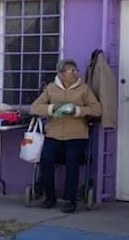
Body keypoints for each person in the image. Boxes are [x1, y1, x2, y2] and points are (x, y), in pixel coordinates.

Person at [30, 58, 102, 214]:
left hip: (76, 135)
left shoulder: (84, 89)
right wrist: (52, 109)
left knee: (72, 161)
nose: (75, 73)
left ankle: (70, 200)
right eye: (71, 70)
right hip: (53, 133)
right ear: (61, 74)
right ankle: (50, 197)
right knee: (46, 160)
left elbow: (97, 109)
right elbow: (34, 108)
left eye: (76, 70)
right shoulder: (51, 88)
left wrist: (77, 111)